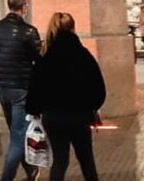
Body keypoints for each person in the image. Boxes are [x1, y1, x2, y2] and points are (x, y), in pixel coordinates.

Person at [26, 13, 106, 181]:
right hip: (79, 116)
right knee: (86, 161)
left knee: (60, 160)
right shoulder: (83, 55)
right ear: (73, 28)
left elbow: (34, 89)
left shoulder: (46, 57)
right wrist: (91, 107)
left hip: (53, 117)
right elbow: (99, 88)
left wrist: (35, 110)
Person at [0, 0, 42, 181]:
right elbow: (38, 62)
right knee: (17, 138)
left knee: (17, 131)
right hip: (21, 89)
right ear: (24, 6)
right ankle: (7, 177)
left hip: (2, 89)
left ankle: (30, 170)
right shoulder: (29, 31)